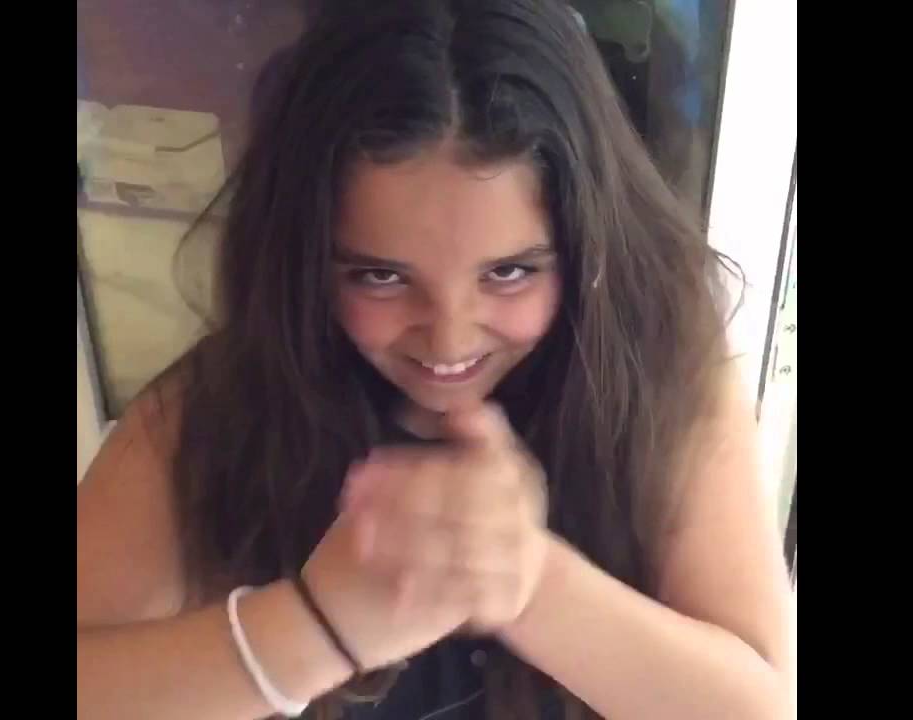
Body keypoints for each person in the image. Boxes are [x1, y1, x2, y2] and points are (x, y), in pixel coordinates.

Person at [77, 1, 795, 719]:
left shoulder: (660, 373)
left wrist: (529, 582)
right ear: (303, 264)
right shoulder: (221, 407)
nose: (449, 341)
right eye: (381, 276)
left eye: (509, 272)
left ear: (585, 252)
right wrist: (317, 625)